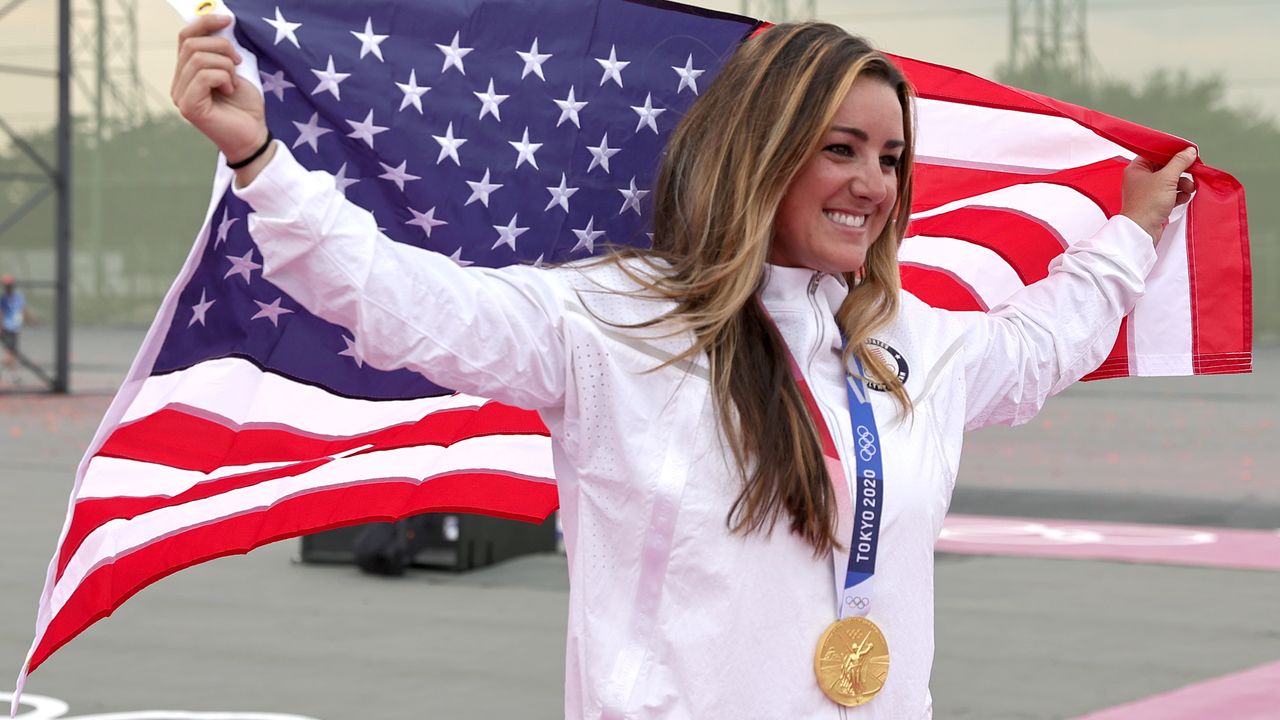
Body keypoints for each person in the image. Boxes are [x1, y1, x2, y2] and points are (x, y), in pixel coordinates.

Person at [172, 15, 1195, 719]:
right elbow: (403, 305)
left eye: (889, 160)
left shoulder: (904, 344)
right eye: (840, 149)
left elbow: (1033, 350)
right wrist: (263, 164)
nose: (871, 185)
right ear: (765, 150)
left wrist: (1130, 233)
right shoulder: (616, 325)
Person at [1, 274, 28, 385]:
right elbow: (1, 314)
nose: (8, 287)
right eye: (6, 285)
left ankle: (14, 376)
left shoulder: (19, 297)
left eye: (10, 285)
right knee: (10, 353)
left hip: (15, 328)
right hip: (7, 328)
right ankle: (14, 377)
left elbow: (23, 310)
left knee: (12, 353)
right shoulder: (3, 299)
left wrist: (32, 321)